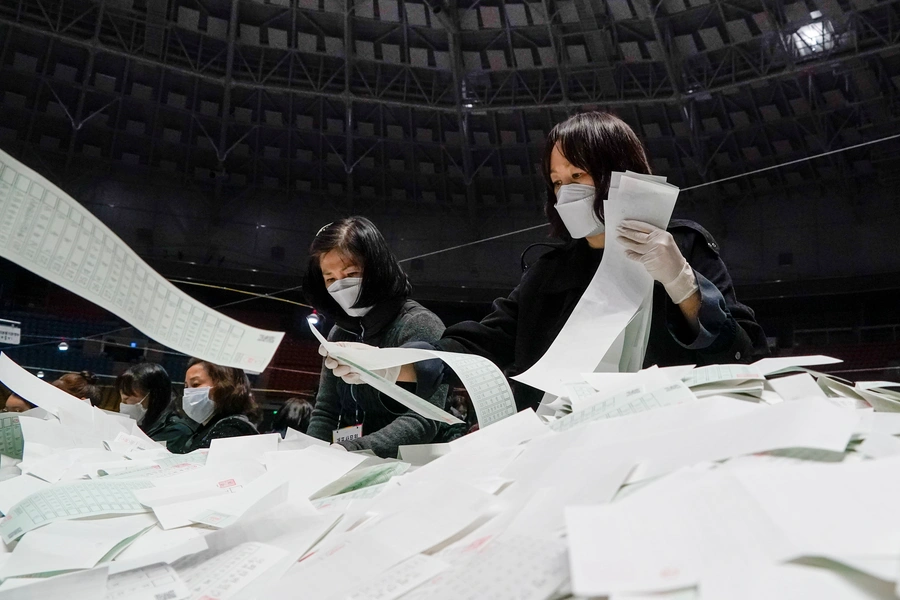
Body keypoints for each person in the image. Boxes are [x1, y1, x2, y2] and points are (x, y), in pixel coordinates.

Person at [321, 112, 768, 412]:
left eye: (578, 175)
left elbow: (742, 349)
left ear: (619, 173)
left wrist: (684, 284)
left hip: (668, 427)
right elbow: (483, 342)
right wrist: (392, 361)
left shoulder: (682, 245)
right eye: (556, 181)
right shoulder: (551, 267)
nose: (565, 192)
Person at [303, 217, 451, 458]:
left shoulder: (419, 325)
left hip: (413, 466)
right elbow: (326, 410)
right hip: (350, 460)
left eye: (351, 272)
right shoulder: (339, 332)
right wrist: (311, 455)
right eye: (330, 278)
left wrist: (351, 450)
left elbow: (423, 419)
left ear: (377, 269)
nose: (340, 285)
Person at [168, 358, 259, 454]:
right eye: (186, 387)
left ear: (224, 386)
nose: (188, 393)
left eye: (195, 384)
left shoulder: (233, 429)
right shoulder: (208, 426)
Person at [116, 363, 193, 446]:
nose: (123, 405)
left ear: (153, 396)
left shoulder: (176, 431)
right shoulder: (140, 423)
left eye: (126, 399)